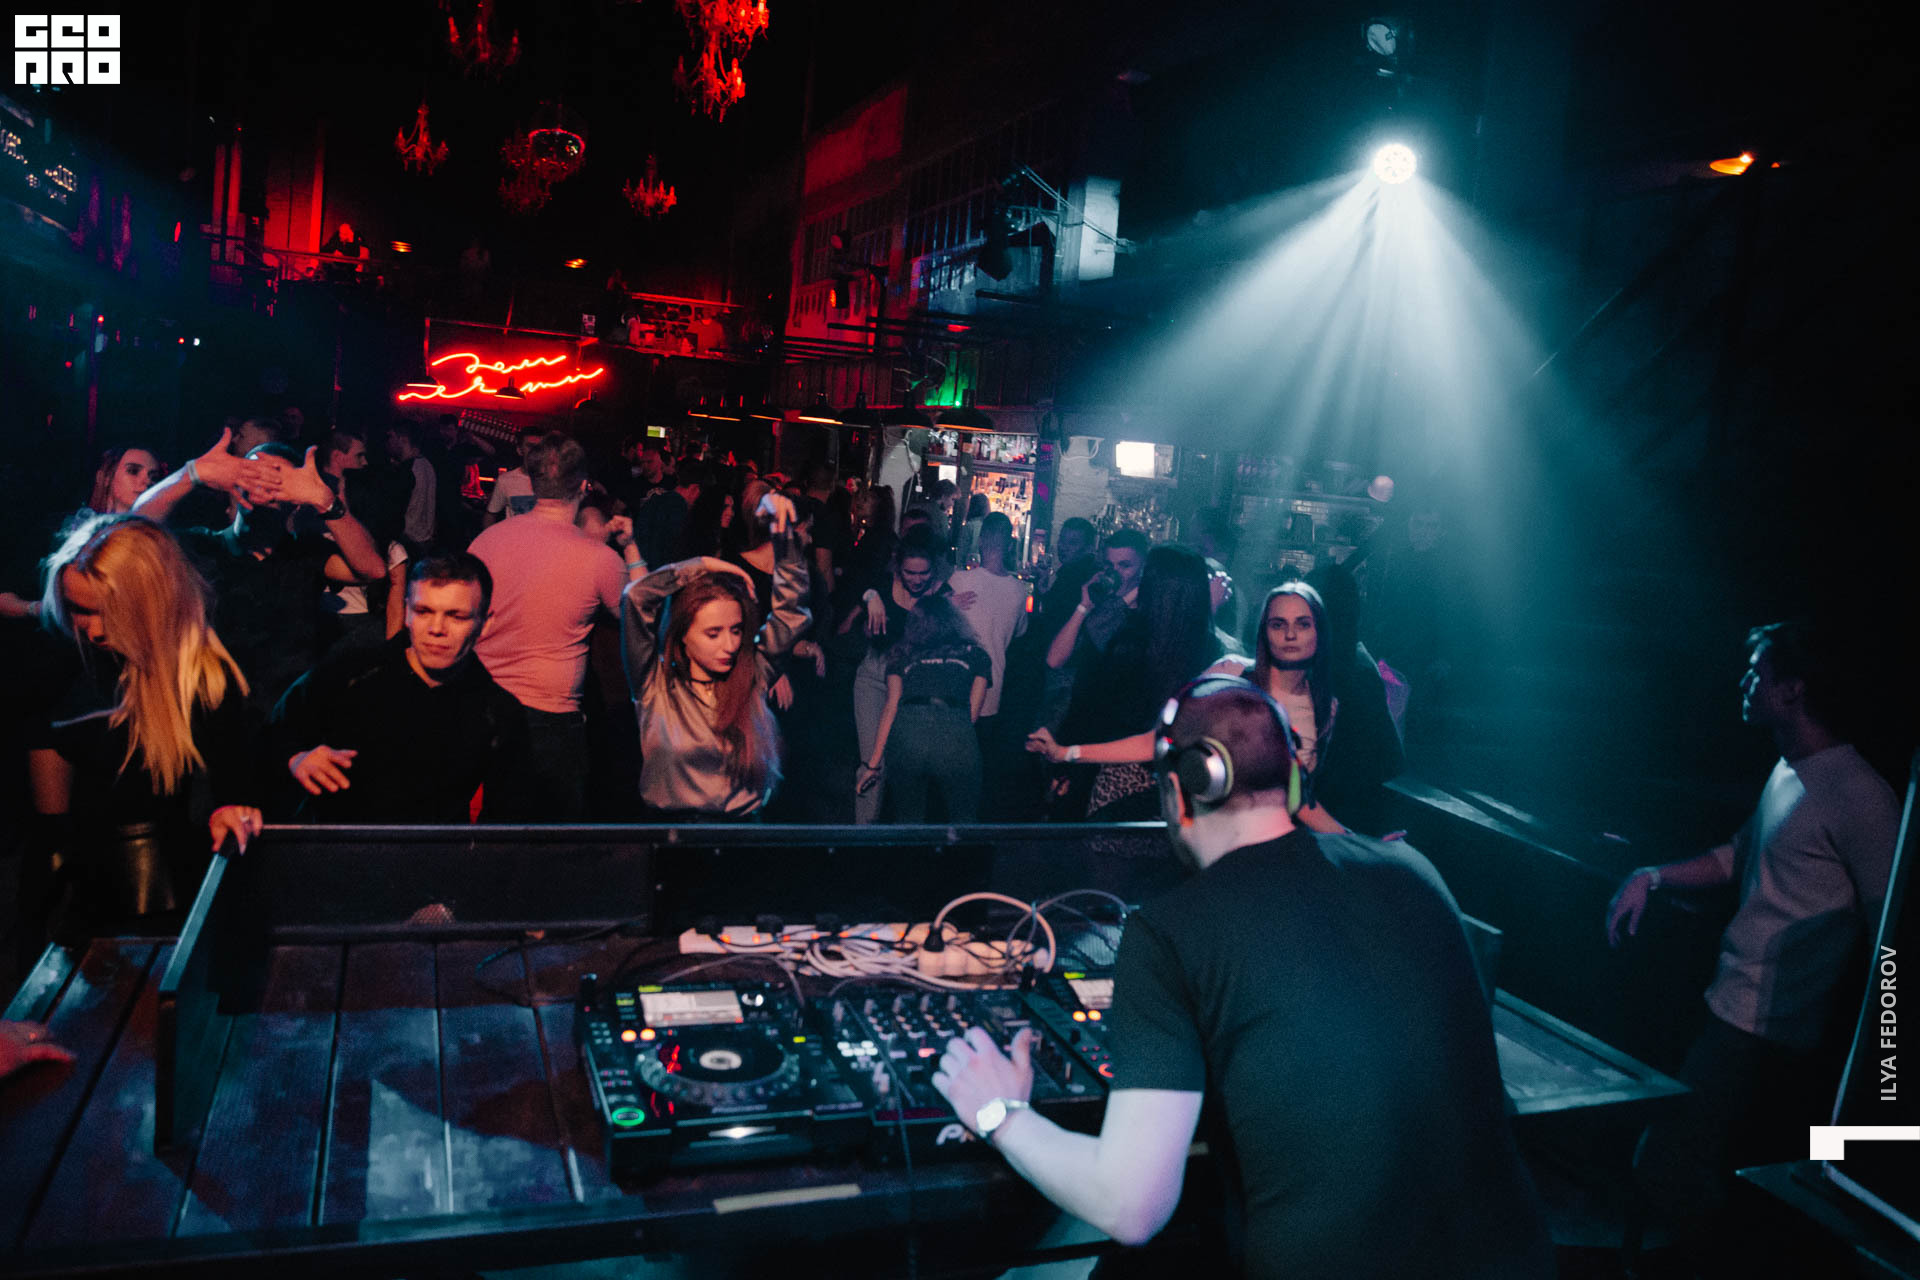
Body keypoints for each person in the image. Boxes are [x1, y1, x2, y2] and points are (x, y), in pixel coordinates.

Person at [933, 675, 1553, 1278]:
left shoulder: (1170, 933)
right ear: (1293, 777)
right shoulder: (1413, 869)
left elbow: (1131, 1206)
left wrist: (999, 1113)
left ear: (1180, 790)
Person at [1607, 619, 1899, 1240]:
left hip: (1767, 1037)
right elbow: (1741, 854)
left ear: (1793, 689)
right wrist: (1651, 876)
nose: (1744, 682)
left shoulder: (1860, 797)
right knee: (1689, 1175)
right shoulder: (1790, 769)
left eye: (1756, 672)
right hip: (1730, 1010)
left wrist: (1883, 1068)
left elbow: (1892, 938)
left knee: (1674, 1173)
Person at [26, 516, 265, 940]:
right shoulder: (64, 665)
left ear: (150, 605)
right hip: (84, 894)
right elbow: (52, 834)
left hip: (171, 895)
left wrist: (231, 811)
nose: (94, 630)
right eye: (80, 610)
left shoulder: (206, 682)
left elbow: (232, 793)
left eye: (109, 613)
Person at [268, 553, 534, 823]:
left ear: (485, 624)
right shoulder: (349, 673)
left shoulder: (498, 711)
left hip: (434, 849)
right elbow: (269, 737)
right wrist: (295, 758)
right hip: (336, 844)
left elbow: (508, 820)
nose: (436, 628)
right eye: (424, 611)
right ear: (407, 612)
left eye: (456, 616)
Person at [133, 434, 387, 713]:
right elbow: (133, 530)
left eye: (276, 479)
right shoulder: (204, 546)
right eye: (254, 475)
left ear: (296, 499)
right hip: (214, 711)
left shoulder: (304, 553)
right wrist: (192, 473)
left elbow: (373, 569)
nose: (263, 486)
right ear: (235, 486)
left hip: (285, 715)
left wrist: (324, 501)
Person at [469, 434, 644, 819]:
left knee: (488, 829)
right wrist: (630, 546)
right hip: (549, 718)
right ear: (583, 485)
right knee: (554, 836)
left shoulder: (485, 542)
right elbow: (644, 614)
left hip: (482, 708)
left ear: (532, 483)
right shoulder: (598, 558)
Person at [620, 491, 809, 820]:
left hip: (741, 835)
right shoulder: (655, 684)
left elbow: (790, 616)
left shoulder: (750, 674)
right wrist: (701, 565)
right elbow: (636, 598)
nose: (730, 645)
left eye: (736, 630)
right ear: (683, 635)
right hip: (673, 835)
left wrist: (783, 536)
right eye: (713, 633)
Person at [1028, 545, 1227, 820]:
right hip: (1173, 785)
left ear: (1148, 582)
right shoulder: (1209, 650)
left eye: (1129, 567)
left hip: (1118, 777)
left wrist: (1066, 758)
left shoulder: (1131, 641)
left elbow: (1094, 711)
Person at [841, 527, 946, 824]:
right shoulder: (882, 586)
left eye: (923, 573)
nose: (917, 579)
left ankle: (904, 836)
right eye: (910, 572)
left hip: (914, 687)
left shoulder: (942, 595)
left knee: (910, 766)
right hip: (875, 679)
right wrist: (870, 596)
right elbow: (858, 588)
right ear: (898, 566)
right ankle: (864, 835)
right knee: (872, 762)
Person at [861, 595, 991, 821]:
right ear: (955, 620)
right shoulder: (977, 655)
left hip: (909, 731)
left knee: (908, 820)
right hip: (955, 731)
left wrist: (873, 765)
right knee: (964, 819)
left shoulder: (900, 653)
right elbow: (973, 713)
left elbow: (891, 706)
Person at [947, 512, 1029, 813]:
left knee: (949, 762)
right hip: (993, 686)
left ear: (981, 541)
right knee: (978, 764)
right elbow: (1020, 633)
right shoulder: (1020, 590)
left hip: (955, 684)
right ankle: (970, 825)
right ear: (1009, 545)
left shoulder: (959, 580)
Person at [385, 421, 438, 552]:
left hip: (408, 541)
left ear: (402, 440)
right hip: (425, 540)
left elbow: (395, 511)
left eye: (391, 437)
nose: (387, 442)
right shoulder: (427, 464)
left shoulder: (406, 470)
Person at [484, 427, 545, 526]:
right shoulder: (506, 480)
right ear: (519, 450)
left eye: (539, 447)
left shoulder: (555, 480)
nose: (535, 451)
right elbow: (490, 515)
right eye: (530, 446)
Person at [87, 446, 164, 515]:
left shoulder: (158, 526)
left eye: (154, 478)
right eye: (133, 471)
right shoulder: (83, 523)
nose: (148, 482)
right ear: (106, 477)